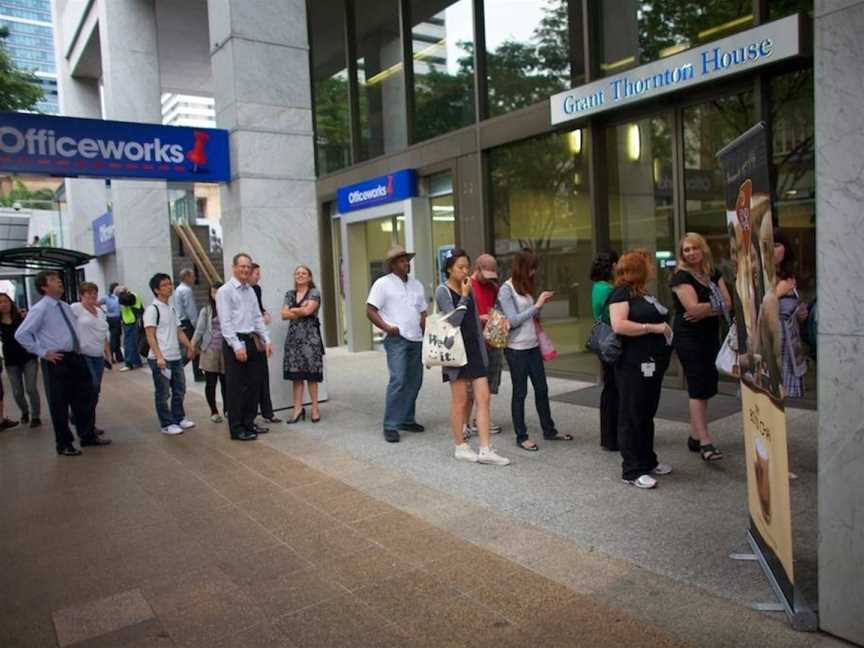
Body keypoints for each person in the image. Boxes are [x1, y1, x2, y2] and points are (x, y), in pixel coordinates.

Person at [14, 270, 109, 456]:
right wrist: (42, 352)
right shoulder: (40, 308)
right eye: (53, 280)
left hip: (76, 357)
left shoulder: (65, 306)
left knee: (85, 397)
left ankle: (87, 435)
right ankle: (64, 443)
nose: (59, 281)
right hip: (57, 359)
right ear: (44, 286)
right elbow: (22, 334)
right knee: (60, 403)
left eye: (58, 279)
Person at [436, 250, 511, 465]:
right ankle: (460, 446)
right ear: (449, 268)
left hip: (475, 350)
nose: (464, 271)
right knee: (460, 402)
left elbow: (475, 324)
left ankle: (486, 449)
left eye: (466, 266)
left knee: (484, 397)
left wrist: (483, 350)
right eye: (460, 267)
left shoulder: (469, 287)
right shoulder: (443, 291)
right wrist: (465, 295)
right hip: (455, 352)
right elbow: (454, 321)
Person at [609, 250, 673, 489]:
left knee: (645, 413)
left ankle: (648, 460)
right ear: (639, 268)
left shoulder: (641, 293)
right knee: (631, 413)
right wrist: (653, 328)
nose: (653, 267)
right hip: (631, 364)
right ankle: (632, 470)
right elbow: (619, 325)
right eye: (648, 264)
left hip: (650, 362)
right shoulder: (621, 293)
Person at [498, 249, 569, 451]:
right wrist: (537, 305)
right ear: (522, 267)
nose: (534, 271)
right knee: (520, 392)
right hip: (516, 348)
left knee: (542, 389)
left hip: (532, 346)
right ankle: (521, 436)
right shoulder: (506, 289)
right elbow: (512, 320)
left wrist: (539, 306)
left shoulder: (525, 286)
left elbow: (529, 316)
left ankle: (550, 430)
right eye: (531, 267)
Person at [669, 233, 731, 462]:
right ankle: (705, 441)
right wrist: (716, 307)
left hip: (709, 336)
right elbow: (693, 309)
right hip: (689, 338)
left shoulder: (713, 273)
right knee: (697, 387)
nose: (691, 252)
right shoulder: (680, 277)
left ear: (703, 249)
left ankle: (694, 436)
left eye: (694, 248)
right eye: (686, 250)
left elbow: (728, 304)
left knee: (705, 386)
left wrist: (711, 308)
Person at [366, 245, 427, 444]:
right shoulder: (382, 284)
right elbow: (370, 310)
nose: (406, 263)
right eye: (402, 260)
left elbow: (423, 312)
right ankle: (390, 424)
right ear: (392, 264)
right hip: (396, 339)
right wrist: (386, 327)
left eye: (407, 260)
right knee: (398, 380)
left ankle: (407, 419)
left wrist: (427, 337)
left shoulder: (417, 285)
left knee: (414, 381)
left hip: (417, 338)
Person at [216, 253, 273, 441]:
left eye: (248, 267)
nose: (246, 270)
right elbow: (225, 322)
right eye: (242, 266)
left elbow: (257, 317)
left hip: (251, 340)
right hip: (235, 342)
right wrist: (236, 346)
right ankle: (237, 427)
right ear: (234, 268)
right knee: (236, 387)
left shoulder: (250, 290)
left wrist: (266, 339)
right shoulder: (225, 291)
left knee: (254, 384)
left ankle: (249, 423)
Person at [143, 273, 196, 435]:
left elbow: (178, 330)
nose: (169, 287)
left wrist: (189, 345)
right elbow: (150, 335)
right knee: (163, 392)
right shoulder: (152, 310)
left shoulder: (171, 307)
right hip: (161, 358)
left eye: (170, 284)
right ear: (156, 290)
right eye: (165, 285)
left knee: (180, 389)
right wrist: (159, 356)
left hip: (175, 356)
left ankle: (179, 417)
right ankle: (166, 423)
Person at [463, 254, 503, 438]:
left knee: (489, 383)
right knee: (470, 387)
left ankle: (481, 419)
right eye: (485, 275)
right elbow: (460, 314)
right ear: (477, 269)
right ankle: (464, 422)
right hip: (474, 342)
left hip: (492, 338)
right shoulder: (467, 285)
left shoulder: (494, 287)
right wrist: (480, 318)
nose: (488, 280)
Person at [282, 265, 325, 424]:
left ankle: (314, 409)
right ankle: (297, 409)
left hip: (310, 340)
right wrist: (301, 308)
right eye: (297, 273)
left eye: (304, 273)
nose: (300, 275)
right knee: (296, 377)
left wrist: (293, 310)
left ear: (309, 277)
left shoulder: (314, 293)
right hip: (293, 341)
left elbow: (308, 312)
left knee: (311, 376)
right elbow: (283, 314)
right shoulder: (289, 294)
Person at [71, 282, 111, 434]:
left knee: (95, 391)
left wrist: (107, 354)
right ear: (82, 294)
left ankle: (88, 422)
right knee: (90, 388)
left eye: (95, 292)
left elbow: (103, 335)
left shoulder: (100, 311)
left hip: (98, 356)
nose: (93, 296)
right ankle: (81, 419)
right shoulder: (76, 308)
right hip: (84, 355)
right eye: (89, 293)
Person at [773, 231, 808, 399]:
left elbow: (795, 305)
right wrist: (777, 292)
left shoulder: (789, 274)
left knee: (786, 397)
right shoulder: (757, 273)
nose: (773, 250)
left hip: (790, 339)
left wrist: (801, 312)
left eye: (777, 245)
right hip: (771, 339)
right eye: (769, 246)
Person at [591, 250, 619, 452]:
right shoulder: (606, 289)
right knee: (613, 389)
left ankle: (609, 436)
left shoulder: (598, 286)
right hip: (610, 341)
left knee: (610, 388)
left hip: (604, 340)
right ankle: (611, 437)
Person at [0, 292, 40, 428]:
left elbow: (33, 330)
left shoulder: (22, 316)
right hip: (11, 360)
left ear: (10, 302)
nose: (3, 304)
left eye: (5, 301)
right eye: (0, 302)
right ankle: (25, 412)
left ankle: (36, 416)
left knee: (31, 388)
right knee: (17, 391)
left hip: (28, 357)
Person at [191, 283, 227, 422]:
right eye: (213, 293)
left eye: (219, 292)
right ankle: (214, 411)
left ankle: (227, 409)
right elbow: (199, 330)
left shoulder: (228, 308)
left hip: (225, 350)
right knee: (211, 382)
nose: (216, 295)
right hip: (210, 349)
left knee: (226, 382)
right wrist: (192, 346)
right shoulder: (206, 310)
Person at [250, 263, 280, 423]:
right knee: (253, 379)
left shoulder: (257, 289)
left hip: (260, 337)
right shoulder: (244, 291)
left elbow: (258, 310)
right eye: (256, 273)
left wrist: (265, 315)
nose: (258, 276)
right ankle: (252, 415)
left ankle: (268, 412)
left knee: (263, 376)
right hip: (249, 339)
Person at [174, 268, 204, 382]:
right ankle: (193, 372)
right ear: (187, 277)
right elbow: (190, 309)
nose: (194, 278)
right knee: (193, 347)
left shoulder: (178, 289)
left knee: (192, 348)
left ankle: (197, 372)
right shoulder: (186, 290)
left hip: (182, 321)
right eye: (192, 276)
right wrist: (196, 324)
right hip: (187, 321)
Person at [118, 286, 143, 371]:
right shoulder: (133, 295)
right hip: (129, 321)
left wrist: (121, 294)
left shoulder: (132, 297)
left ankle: (129, 363)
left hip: (131, 322)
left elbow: (125, 301)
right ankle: (137, 362)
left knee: (128, 344)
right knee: (132, 344)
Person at [99, 282, 124, 364]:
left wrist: (104, 311)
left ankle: (119, 356)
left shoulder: (107, 297)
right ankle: (111, 355)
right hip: (115, 319)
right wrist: (103, 311)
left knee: (116, 337)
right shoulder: (117, 297)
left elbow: (97, 303)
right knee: (115, 337)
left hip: (110, 318)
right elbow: (97, 303)